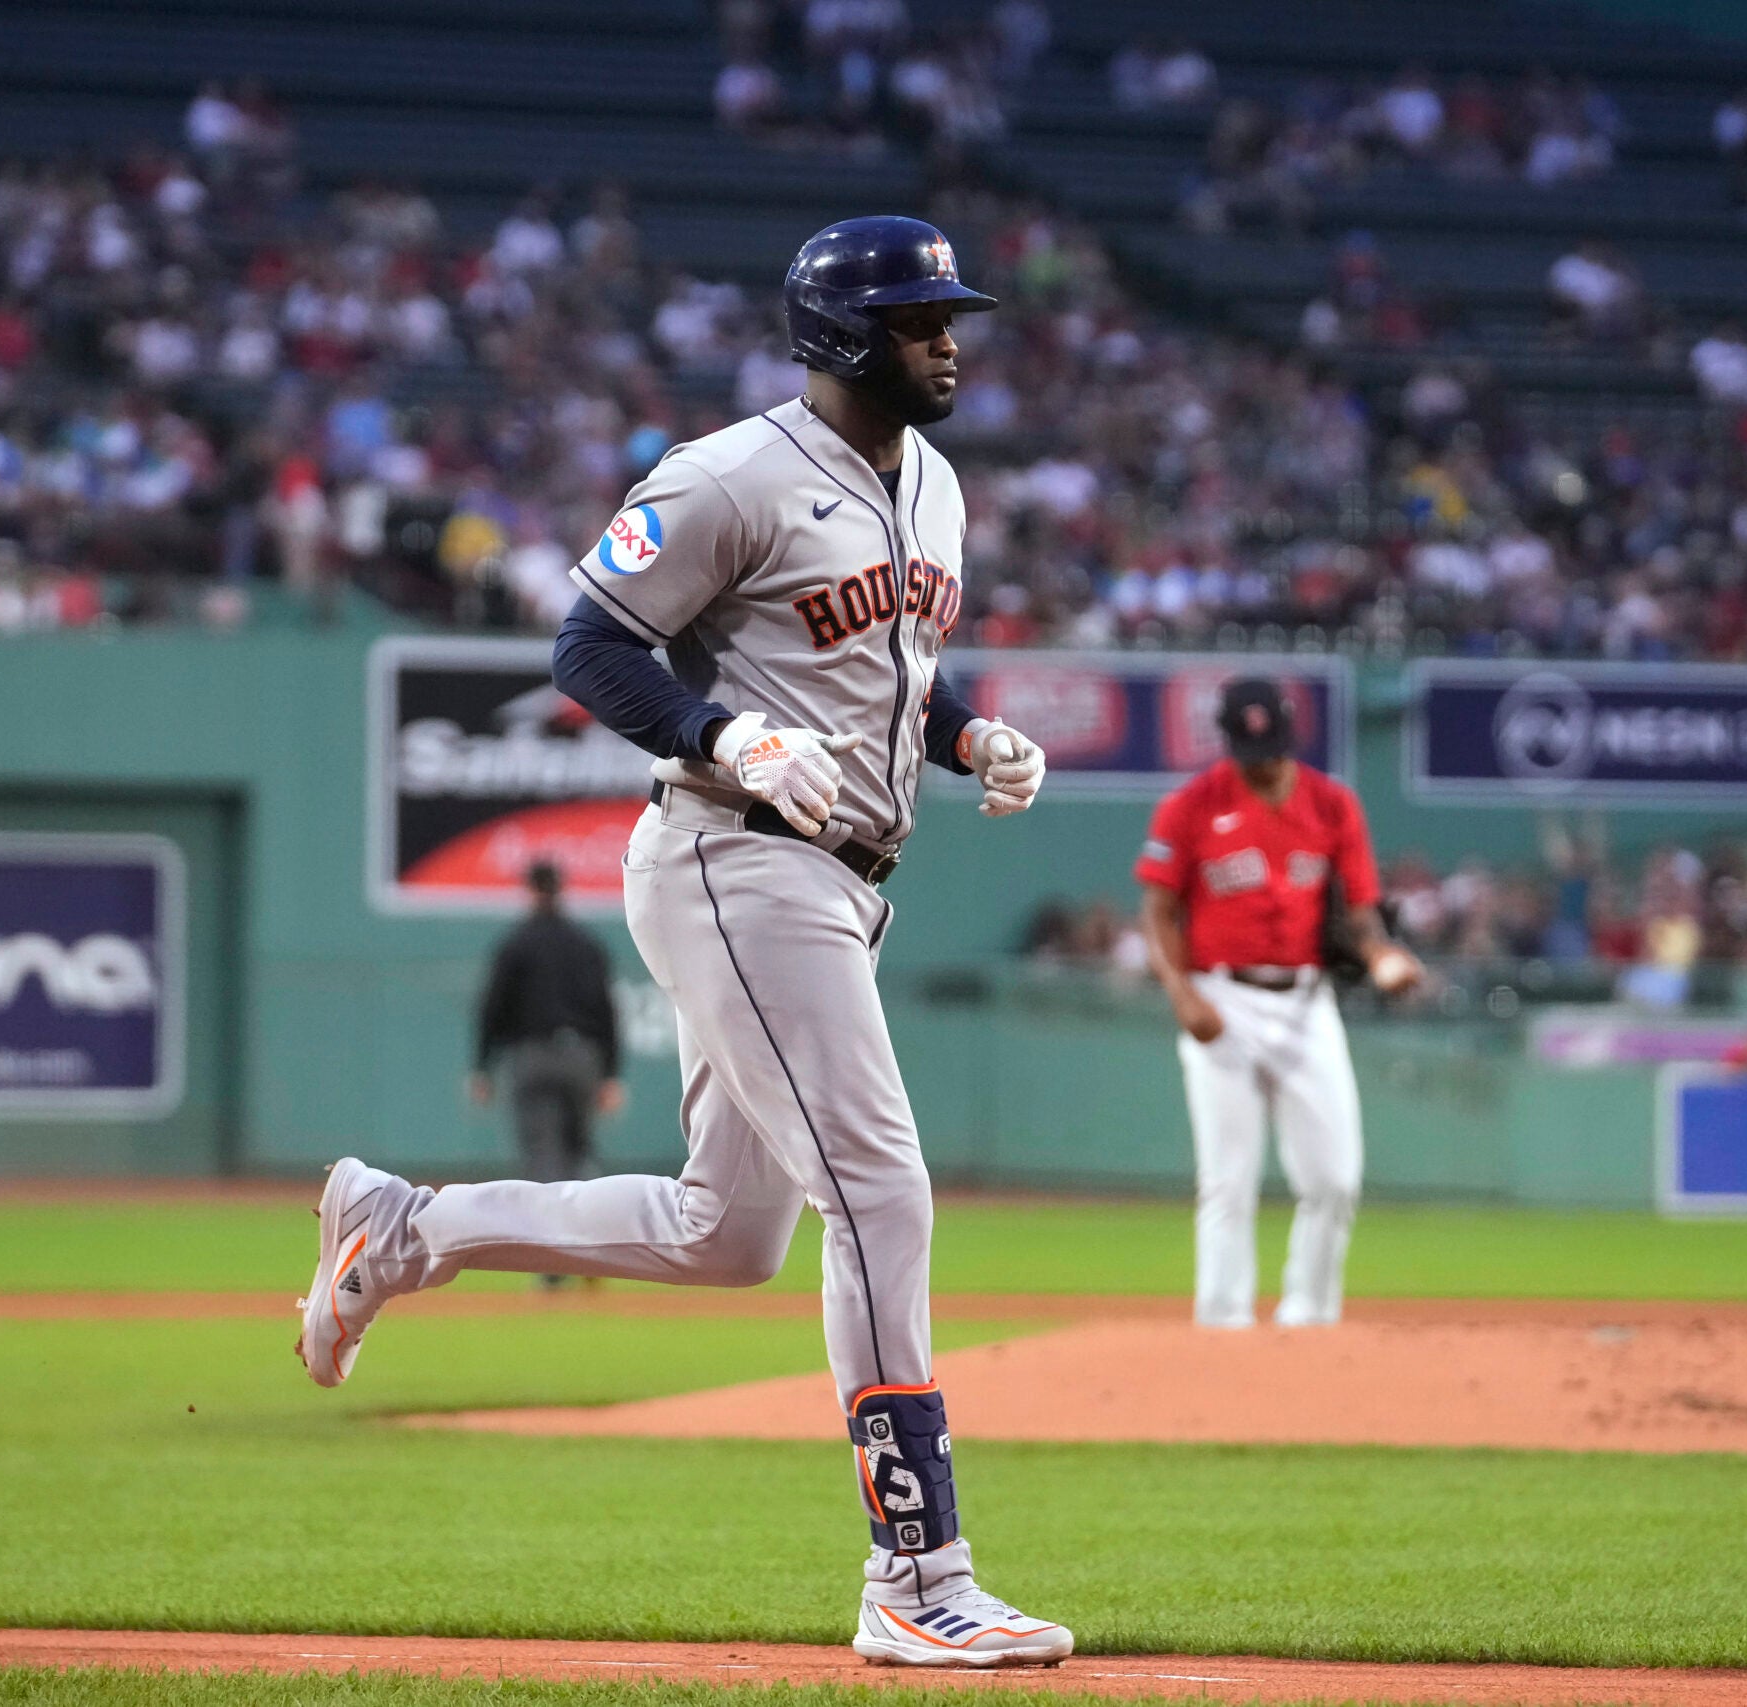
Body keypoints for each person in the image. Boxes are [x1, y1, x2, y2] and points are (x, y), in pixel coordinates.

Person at [295, 216, 1071, 1668]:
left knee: (727, 1236)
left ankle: (410, 1226)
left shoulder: (939, 486)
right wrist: (726, 731)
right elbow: (587, 645)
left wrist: (966, 733)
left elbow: (887, 664)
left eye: (950, 316)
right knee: (883, 1191)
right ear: (845, 338)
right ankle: (916, 1567)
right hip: (736, 855)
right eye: (921, 320)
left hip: (838, 876)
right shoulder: (729, 475)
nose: (951, 339)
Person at [1135, 680, 1421, 1331]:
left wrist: (1381, 956)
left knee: (1336, 1178)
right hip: (1221, 995)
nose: (1261, 759)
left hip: (1306, 1002)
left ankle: (1310, 1321)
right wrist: (1182, 992)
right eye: (1249, 746)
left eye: (1270, 745)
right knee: (1227, 1182)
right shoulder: (1191, 805)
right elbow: (1156, 912)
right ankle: (1224, 1325)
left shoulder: (1332, 804)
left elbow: (1361, 909)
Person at [466, 861, 624, 1238]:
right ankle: (595, 1241)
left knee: (543, 1153)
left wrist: (482, 1066)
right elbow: (608, 1011)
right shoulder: (586, 944)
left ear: (530, 891)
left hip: (531, 1057)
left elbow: (493, 1009)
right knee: (580, 1152)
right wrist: (612, 1074)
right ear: (561, 889)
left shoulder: (516, 943)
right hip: (582, 1057)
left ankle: (553, 1256)